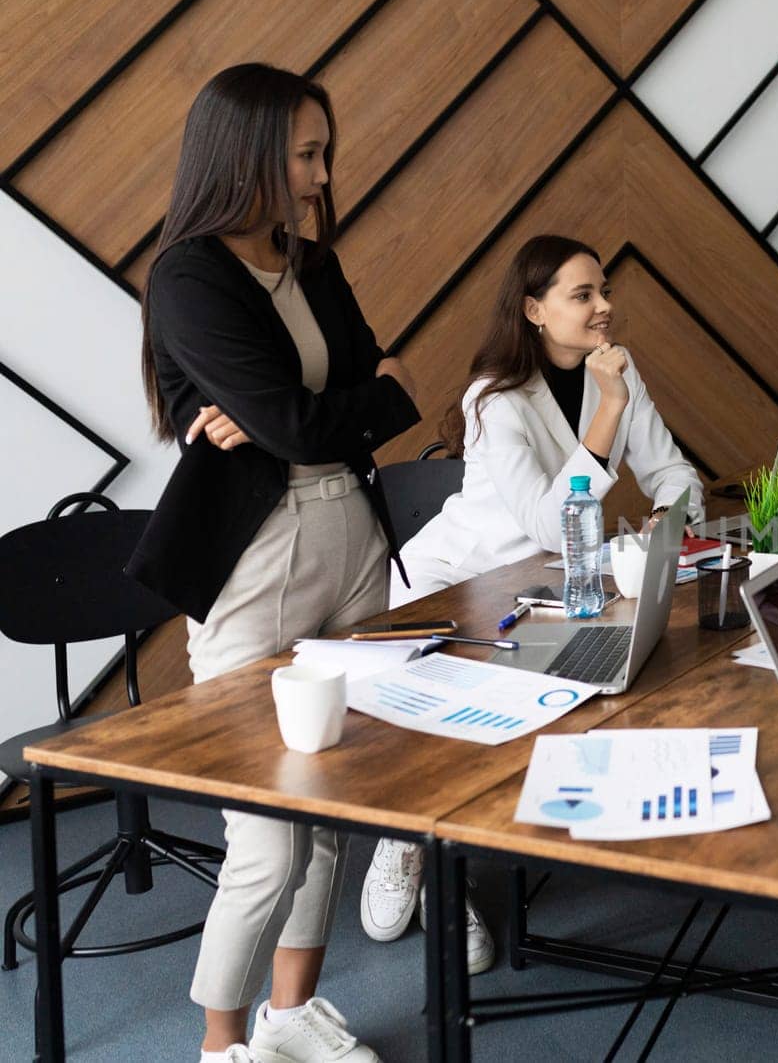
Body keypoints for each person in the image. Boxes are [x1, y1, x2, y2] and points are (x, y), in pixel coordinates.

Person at [131, 64, 420, 1063]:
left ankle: (289, 1012)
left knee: (328, 802)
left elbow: (364, 391)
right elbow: (316, 415)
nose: (321, 173)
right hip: (259, 559)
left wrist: (331, 410)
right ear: (248, 152)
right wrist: (352, 405)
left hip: (353, 541)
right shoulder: (189, 276)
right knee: (264, 830)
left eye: (321, 152)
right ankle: (220, 1045)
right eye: (305, 153)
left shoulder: (317, 265)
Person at [359, 234, 704, 969]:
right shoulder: (493, 397)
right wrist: (609, 408)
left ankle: (445, 850)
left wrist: (666, 520)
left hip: (557, 584)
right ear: (534, 310)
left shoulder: (618, 369)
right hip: (462, 586)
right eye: (584, 295)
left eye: (603, 290)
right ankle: (419, 854)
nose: (604, 307)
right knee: (459, 744)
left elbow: (676, 472)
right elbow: (550, 520)